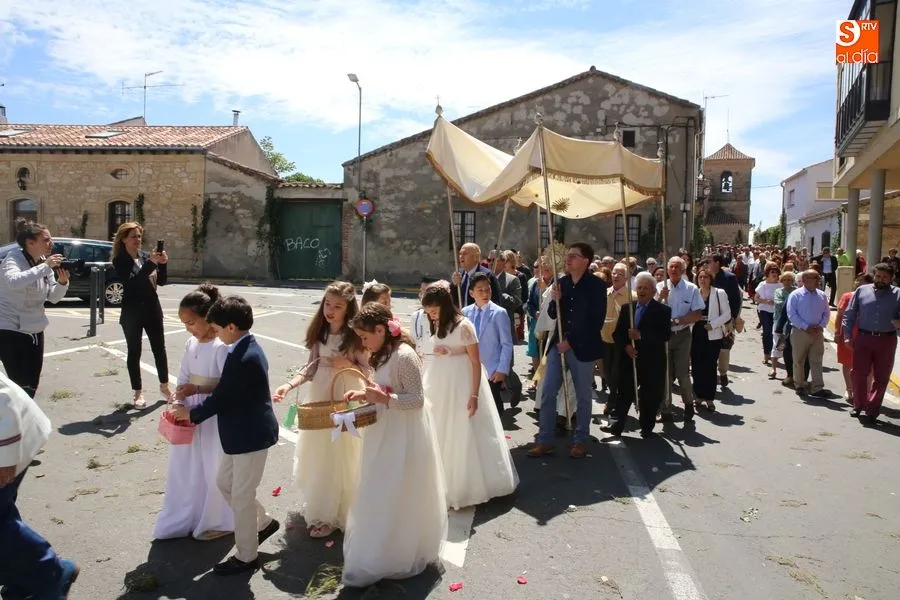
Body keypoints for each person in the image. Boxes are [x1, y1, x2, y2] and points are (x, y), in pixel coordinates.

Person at [169, 296, 280, 575]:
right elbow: (224, 394)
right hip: (240, 435)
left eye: (217, 329)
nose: (215, 333)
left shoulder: (245, 356)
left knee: (240, 495)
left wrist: (191, 415)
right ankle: (264, 522)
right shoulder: (241, 347)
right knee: (226, 483)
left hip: (251, 436)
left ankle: (246, 556)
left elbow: (222, 397)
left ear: (231, 326)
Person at [341, 304, 447, 587]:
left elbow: (416, 399)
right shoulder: (384, 353)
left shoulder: (405, 355)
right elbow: (386, 390)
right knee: (379, 490)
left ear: (380, 330)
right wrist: (365, 394)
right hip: (385, 430)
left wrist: (384, 400)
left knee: (395, 491)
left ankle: (394, 551)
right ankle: (379, 549)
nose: (362, 343)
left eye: (364, 337)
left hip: (403, 436)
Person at [273, 282, 367, 539]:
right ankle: (323, 510)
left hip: (345, 399)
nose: (330, 310)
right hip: (319, 398)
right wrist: (288, 385)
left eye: (337, 306)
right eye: (327, 304)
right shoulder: (320, 332)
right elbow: (310, 367)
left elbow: (369, 372)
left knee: (341, 455)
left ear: (348, 309)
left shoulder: (356, 336)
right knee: (320, 456)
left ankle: (336, 514)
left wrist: (345, 362)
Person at [421, 281, 518, 508]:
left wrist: (474, 396)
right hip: (439, 380)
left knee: (463, 431)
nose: (432, 316)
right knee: (439, 428)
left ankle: (465, 485)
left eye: (434, 312)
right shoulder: (436, 323)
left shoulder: (464, 325)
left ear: (444, 306)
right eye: (429, 313)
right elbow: (448, 347)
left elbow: (475, 363)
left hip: (462, 382)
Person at [153, 284, 234, 541]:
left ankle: (218, 519)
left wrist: (197, 390)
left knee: (213, 464)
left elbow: (227, 385)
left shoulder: (222, 345)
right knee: (188, 466)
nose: (189, 328)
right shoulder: (191, 343)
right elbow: (184, 374)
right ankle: (187, 514)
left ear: (208, 316)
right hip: (189, 408)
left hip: (212, 412)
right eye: (185, 324)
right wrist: (179, 399)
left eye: (191, 322)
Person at [0, 372, 80, 600]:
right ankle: (23, 580)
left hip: (10, 435)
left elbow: (2, 398)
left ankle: (52, 572)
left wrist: (5, 457)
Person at [528, 242, 606, 459]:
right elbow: (554, 314)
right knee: (547, 391)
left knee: (582, 396)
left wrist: (570, 341)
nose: (568, 259)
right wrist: (555, 300)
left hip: (582, 348)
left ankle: (580, 440)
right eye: (568, 255)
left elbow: (595, 321)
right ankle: (545, 440)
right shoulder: (562, 282)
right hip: (557, 345)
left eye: (574, 256)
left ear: (585, 261)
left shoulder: (597, 286)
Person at [0, 219, 70, 398]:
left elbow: (53, 297)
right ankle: (18, 423)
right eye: (46, 240)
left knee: (32, 383)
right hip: (10, 330)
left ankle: (22, 421)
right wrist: (45, 266)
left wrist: (62, 282)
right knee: (19, 384)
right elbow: (14, 281)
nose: (51, 243)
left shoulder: (42, 262)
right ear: (30, 243)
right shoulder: (13, 258)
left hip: (35, 329)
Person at [601, 272, 671, 438]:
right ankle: (616, 425)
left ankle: (647, 426)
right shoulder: (627, 309)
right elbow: (617, 334)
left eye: (646, 288)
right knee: (623, 393)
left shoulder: (662, 311)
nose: (641, 291)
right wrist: (626, 346)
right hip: (629, 359)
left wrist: (641, 336)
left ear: (654, 291)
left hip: (652, 361)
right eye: (639, 287)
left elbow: (665, 335)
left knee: (650, 395)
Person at [112, 222, 171, 410]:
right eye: (133, 237)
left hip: (153, 309)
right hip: (132, 312)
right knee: (134, 351)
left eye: (139, 236)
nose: (137, 240)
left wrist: (163, 264)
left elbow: (161, 282)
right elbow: (133, 283)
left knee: (159, 349)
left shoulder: (146, 257)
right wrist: (151, 263)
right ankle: (138, 392)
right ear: (124, 239)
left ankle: (165, 387)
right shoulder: (120, 260)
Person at [842, 263, 900, 424]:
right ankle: (858, 405)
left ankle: (872, 409)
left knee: (881, 377)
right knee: (858, 373)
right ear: (874, 275)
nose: (881, 280)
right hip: (863, 338)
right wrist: (847, 336)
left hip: (886, 340)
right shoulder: (862, 290)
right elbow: (850, 314)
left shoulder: (898, 294)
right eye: (879, 276)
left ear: (891, 278)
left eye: (885, 277)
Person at [656, 257, 704, 422]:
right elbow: (651, 310)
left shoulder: (691, 289)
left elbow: (697, 314)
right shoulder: (660, 287)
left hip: (682, 335)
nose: (674, 269)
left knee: (683, 373)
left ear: (683, 270)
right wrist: (661, 298)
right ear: (667, 269)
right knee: (665, 374)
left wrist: (677, 320)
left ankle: (688, 403)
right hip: (664, 335)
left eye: (677, 267)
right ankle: (666, 409)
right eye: (671, 267)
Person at [461, 273, 517, 414]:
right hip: (470, 369)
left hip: (492, 370)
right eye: (480, 290)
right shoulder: (465, 313)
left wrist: (502, 369)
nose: (485, 293)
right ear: (471, 293)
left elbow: (506, 343)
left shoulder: (499, 313)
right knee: (475, 407)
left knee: (493, 408)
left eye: (488, 289)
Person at [690, 269, 731, 412]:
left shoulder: (719, 293)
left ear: (710, 279)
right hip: (696, 331)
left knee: (709, 366)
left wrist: (713, 324)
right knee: (696, 365)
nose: (702, 280)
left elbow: (727, 314)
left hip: (712, 333)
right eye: (700, 277)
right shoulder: (694, 292)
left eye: (705, 277)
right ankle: (698, 396)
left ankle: (709, 397)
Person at [785, 270, 831, 396]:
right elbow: (791, 314)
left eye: (817, 277)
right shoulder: (795, 295)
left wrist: (821, 326)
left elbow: (826, 313)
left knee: (816, 360)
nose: (817, 280)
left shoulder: (822, 295)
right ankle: (799, 385)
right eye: (814, 278)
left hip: (817, 333)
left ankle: (817, 387)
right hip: (800, 332)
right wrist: (806, 327)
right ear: (805, 280)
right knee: (798, 360)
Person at [835, 273, 875, 403]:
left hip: (867, 335)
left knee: (869, 366)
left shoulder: (874, 298)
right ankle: (849, 389)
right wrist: (837, 332)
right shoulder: (847, 296)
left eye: (863, 281)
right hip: (848, 334)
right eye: (858, 280)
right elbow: (840, 315)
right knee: (847, 362)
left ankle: (866, 392)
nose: (859, 283)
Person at [706, 254, 742, 388]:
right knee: (709, 347)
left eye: (709, 262)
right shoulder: (705, 276)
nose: (707, 264)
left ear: (717, 263)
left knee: (724, 348)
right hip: (708, 319)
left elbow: (735, 299)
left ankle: (723, 372)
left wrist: (731, 318)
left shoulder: (729, 278)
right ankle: (710, 373)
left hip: (725, 319)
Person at [449, 243, 501, 307]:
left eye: (465, 254)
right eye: (460, 254)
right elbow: (452, 299)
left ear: (476, 257)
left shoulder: (487, 275)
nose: (461, 257)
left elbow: (496, 301)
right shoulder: (458, 274)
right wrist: (454, 285)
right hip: (461, 315)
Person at [755, 264, 782, 366]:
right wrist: (766, 301)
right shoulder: (763, 285)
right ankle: (766, 355)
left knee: (776, 333)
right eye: (772, 272)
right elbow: (756, 298)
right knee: (767, 332)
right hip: (765, 311)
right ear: (768, 274)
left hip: (777, 312)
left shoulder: (780, 285)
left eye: (776, 272)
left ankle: (774, 355)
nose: (774, 274)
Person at [410, 276, 438, 368]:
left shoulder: (443, 317)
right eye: (422, 291)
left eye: (427, 292)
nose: (423, 295)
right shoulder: (416, 316)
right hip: (420, 364)